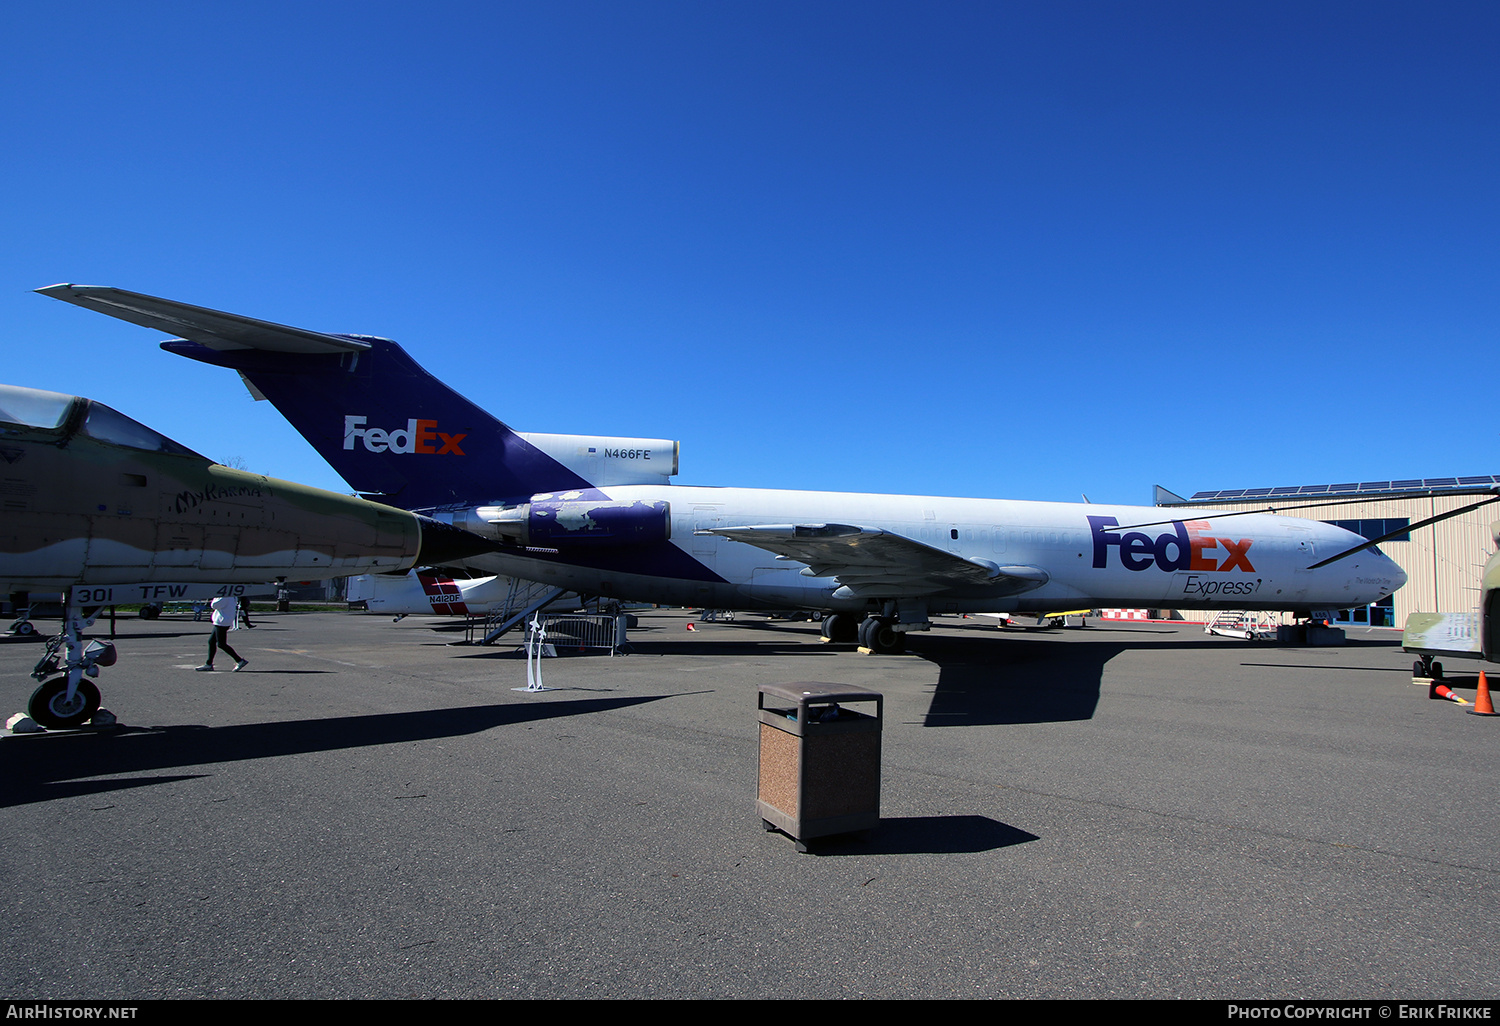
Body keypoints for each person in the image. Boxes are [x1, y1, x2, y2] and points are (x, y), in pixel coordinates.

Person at [195, 595, 248, 672]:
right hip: (222, 620)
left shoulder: (225, 596)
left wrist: (214, 599)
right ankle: (208, 664)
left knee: (221, 644)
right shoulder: (230, 596)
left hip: (222, 621)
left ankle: (239, 660)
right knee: (211, 641)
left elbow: (214, 605)